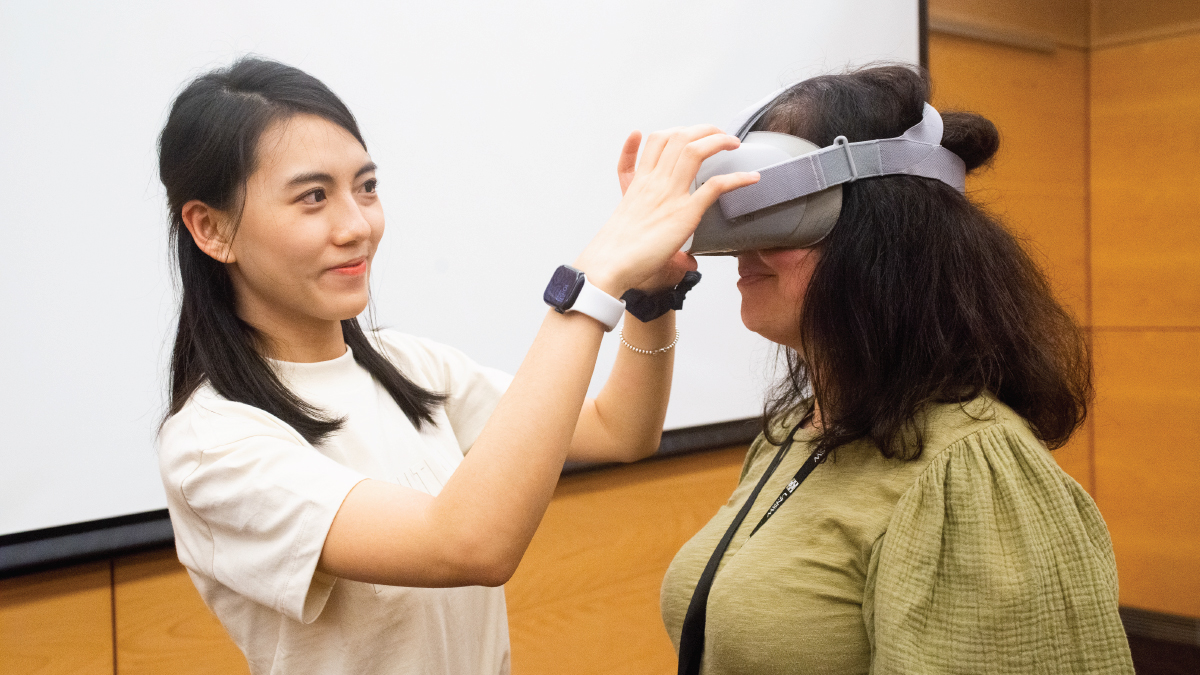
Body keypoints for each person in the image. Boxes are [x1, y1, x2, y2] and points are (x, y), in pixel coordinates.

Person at [155, 56, 757, 675]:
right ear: (211, 229)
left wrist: (649, 296)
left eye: (366, 187)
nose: (358, 226)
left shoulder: (408, 364)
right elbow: (469, 546)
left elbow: (620, 430)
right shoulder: (212, 445)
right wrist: (594, 280)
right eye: (313, 197)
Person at [660, 65, 1135, 674]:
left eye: (777, 211)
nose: (739, 250)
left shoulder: (968, 474)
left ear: (880, 234)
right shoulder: (801, 431)